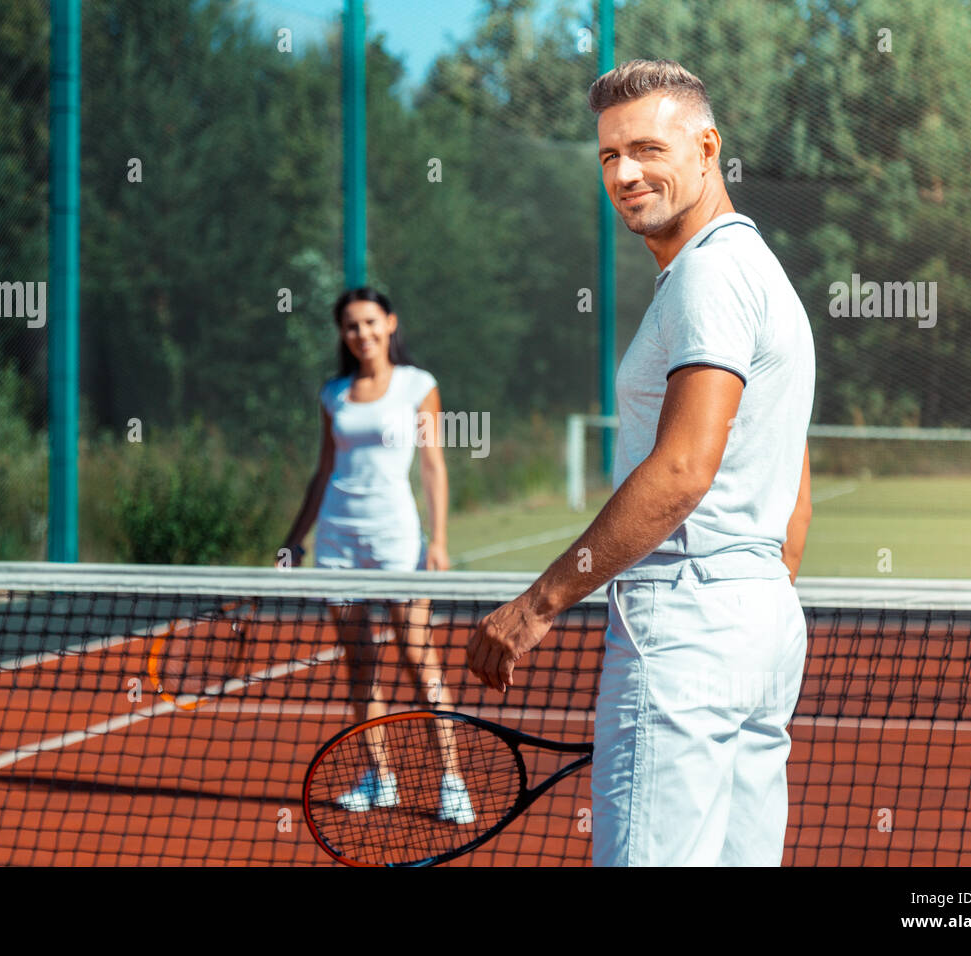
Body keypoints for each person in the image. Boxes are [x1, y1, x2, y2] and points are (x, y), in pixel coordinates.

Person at [468, 59, 815, 865]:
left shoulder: (709, 275)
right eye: (609, 157)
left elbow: (684, 469)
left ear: (707, 148)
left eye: (648, 150)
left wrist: (538, 604)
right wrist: (744, 614)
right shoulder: (762, 272)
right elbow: (794, 492)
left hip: (687, 621)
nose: (625, 174)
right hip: (761, 619)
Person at [282, 287, 474, 825]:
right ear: (342, 334)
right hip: (337, 542)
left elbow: (433, 464)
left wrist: (437, 541)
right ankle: (378, 777)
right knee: (360, 665)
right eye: (350, 326)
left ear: (390, 323)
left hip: (396, 540)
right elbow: (324, 472)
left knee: (419, 659)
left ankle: (451, 780)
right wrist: (294, 539)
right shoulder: (333, 395)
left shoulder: (419, 386)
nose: (361, 333)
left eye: (370, 322)